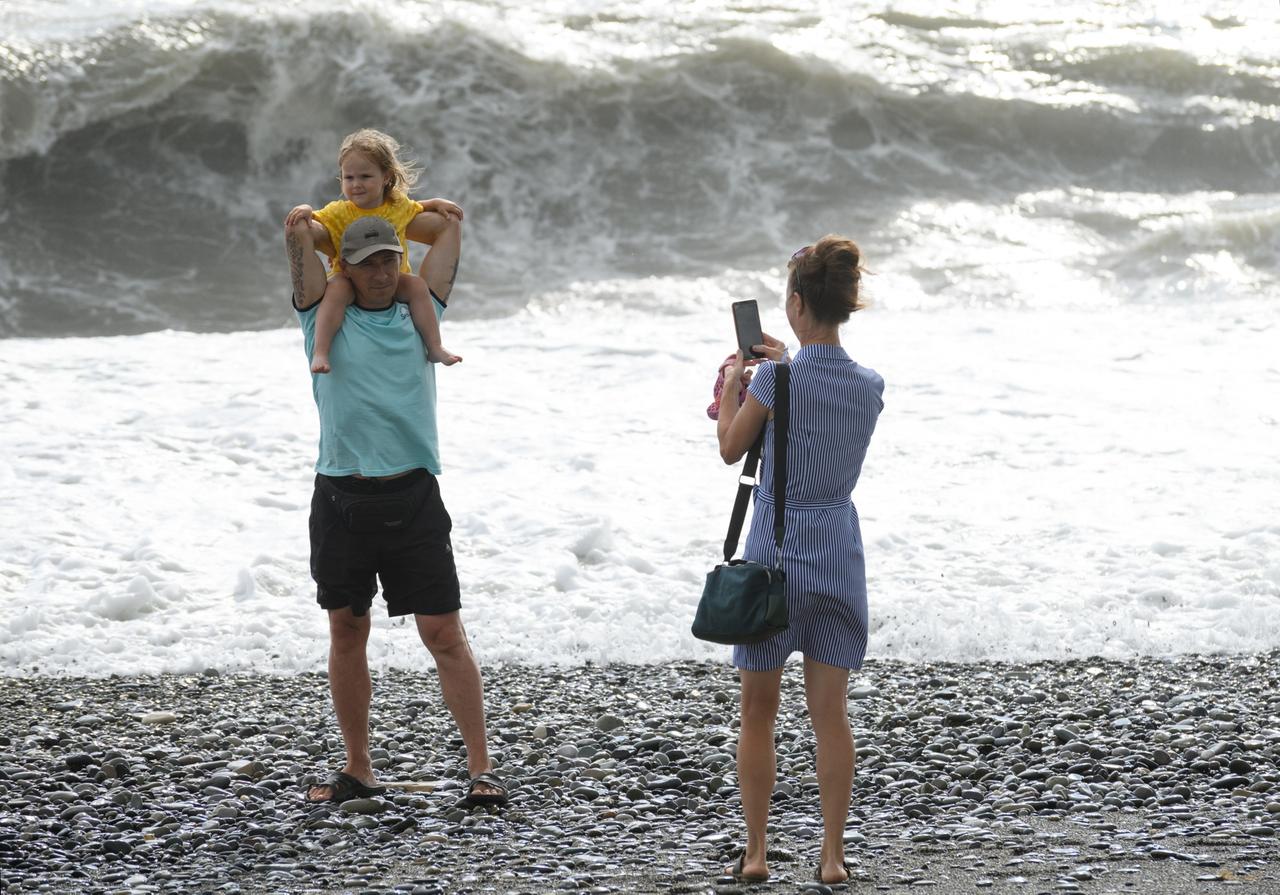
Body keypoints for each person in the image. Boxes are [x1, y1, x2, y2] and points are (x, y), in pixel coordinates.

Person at [284, 206, 506, 808]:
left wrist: (431, 214)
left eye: (389, 260)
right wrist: (305, 228)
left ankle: (481, 770)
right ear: (345, 268)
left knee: (443, 633)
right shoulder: (321, 316)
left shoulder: (418, 309)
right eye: (367, 264)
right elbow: (302, 249)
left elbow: (447, 240)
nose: (381, 274)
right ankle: (359, 767)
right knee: (346, 629)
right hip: (341, 496)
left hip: (413, 496)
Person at [714, 236, 884, 885]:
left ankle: (757, 853)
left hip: (775, 555)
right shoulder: (870, 386)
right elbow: (816, 415)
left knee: (758, 711)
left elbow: (732, 448)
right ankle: (832, 856)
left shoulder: (773, 379)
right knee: (830, 714)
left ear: (795, 304)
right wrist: (778, 370)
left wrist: (736, 382)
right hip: (836, 551)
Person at [285, 128, 462, 374]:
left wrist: (435, 203)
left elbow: (416, 207)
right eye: (348, 178)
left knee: (417, 286)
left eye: (365, 176)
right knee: (337, 289)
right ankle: (321, 350)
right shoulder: (338, 212)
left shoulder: (397, 206)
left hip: (394, 279)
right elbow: (310, 223)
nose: (356, 184)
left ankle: (434, 346)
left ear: (386, 176)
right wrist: (305, 208)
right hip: (349, 279)